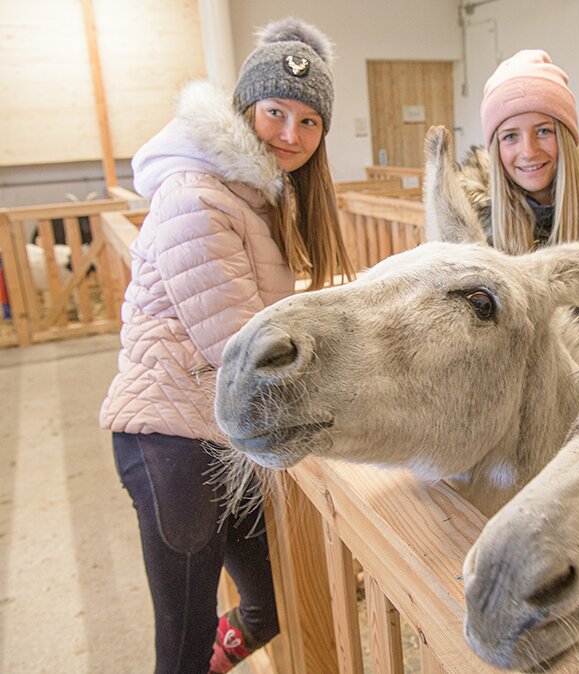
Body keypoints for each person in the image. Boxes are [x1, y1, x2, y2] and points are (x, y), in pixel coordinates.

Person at [100, 17, 353, 674]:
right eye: (276, 112)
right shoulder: (196, 197)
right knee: (183, 639)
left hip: (220, 435)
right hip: (170, 441)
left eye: (309, 122)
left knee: (271, 601)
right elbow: (240, 340)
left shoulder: (260, 194)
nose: (289, 135)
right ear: (245, 108)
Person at [458, 49, 579, 337]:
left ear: (566, 135)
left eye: (543, 131)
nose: (528, 151)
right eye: (510, 136)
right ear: (496, 148)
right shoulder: (475, 237)